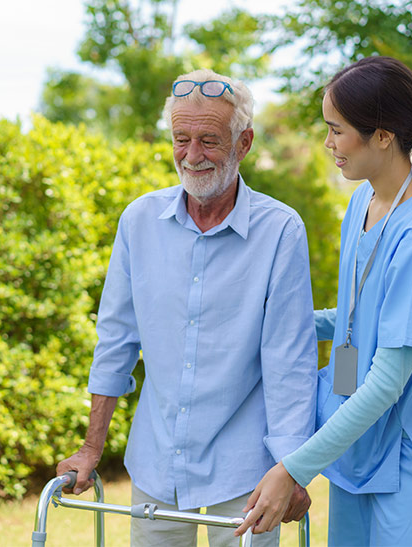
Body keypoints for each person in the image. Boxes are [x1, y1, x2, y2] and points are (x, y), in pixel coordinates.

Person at [56, 68, 318, 547]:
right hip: (156, 463)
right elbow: (116, 340)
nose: (192, 156)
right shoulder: (138, 221)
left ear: (244, 143)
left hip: (246, 471)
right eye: (181, 139)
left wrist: (291, 467)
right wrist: (92, 446)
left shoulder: (281, 230)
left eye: (210, 141)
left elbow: (290, 363)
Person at [235, 56, 412, 546]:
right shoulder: (362, 203)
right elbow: (353, 322)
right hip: (360, 443)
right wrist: (267, 324)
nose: (328, 144)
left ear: (384, 135)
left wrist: (294, 468)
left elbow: (386, 384)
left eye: (337, 131)